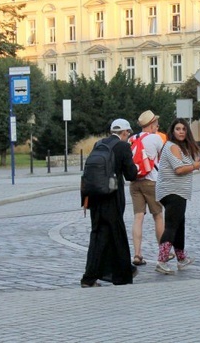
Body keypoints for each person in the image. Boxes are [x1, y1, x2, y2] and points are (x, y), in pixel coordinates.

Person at [80, 119, 139, 288]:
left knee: (99, 234)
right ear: (125, 132)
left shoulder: (99, 144)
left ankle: (91, 277)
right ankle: (121, 275)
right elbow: (131, 174)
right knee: (117, 235)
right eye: (128, 133)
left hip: (95, 197)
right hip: (112, 197)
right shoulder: (123, 146)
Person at [155, 118, 200, 275]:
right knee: (171, 226)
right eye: (178, 129)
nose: (181, 131)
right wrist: (194, 166)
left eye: (183, 129)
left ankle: (181, 258)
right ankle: (162, 260)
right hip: (172, 191)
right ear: (172, 131)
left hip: (178, 192)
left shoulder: (179, 147)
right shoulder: (172, 146)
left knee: (179, 224)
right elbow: (179, 169)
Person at [128, 110, 165, 267]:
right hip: (151, 181)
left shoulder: (131, 139)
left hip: (135, 182)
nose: (157, 125)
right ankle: (163, 253)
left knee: (138, 217)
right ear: (151, 125)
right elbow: (164, 158)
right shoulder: (155, 138)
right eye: (156, 123)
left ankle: (137, 254)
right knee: (158, 216)